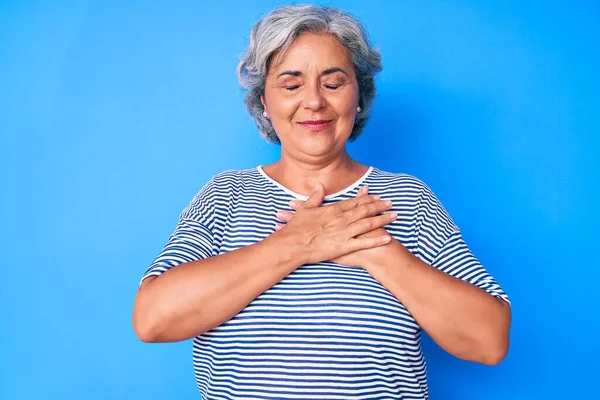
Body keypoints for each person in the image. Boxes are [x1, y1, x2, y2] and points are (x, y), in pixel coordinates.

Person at [132, 4, 511, 399]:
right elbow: (153, 319)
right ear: (264, 101)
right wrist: (297, 243)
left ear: (360, 97)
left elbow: (489, 340)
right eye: (291, 85)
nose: (313, 101)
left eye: (333, 83)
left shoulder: (407, 199)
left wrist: (377, 250)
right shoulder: (225, 196)